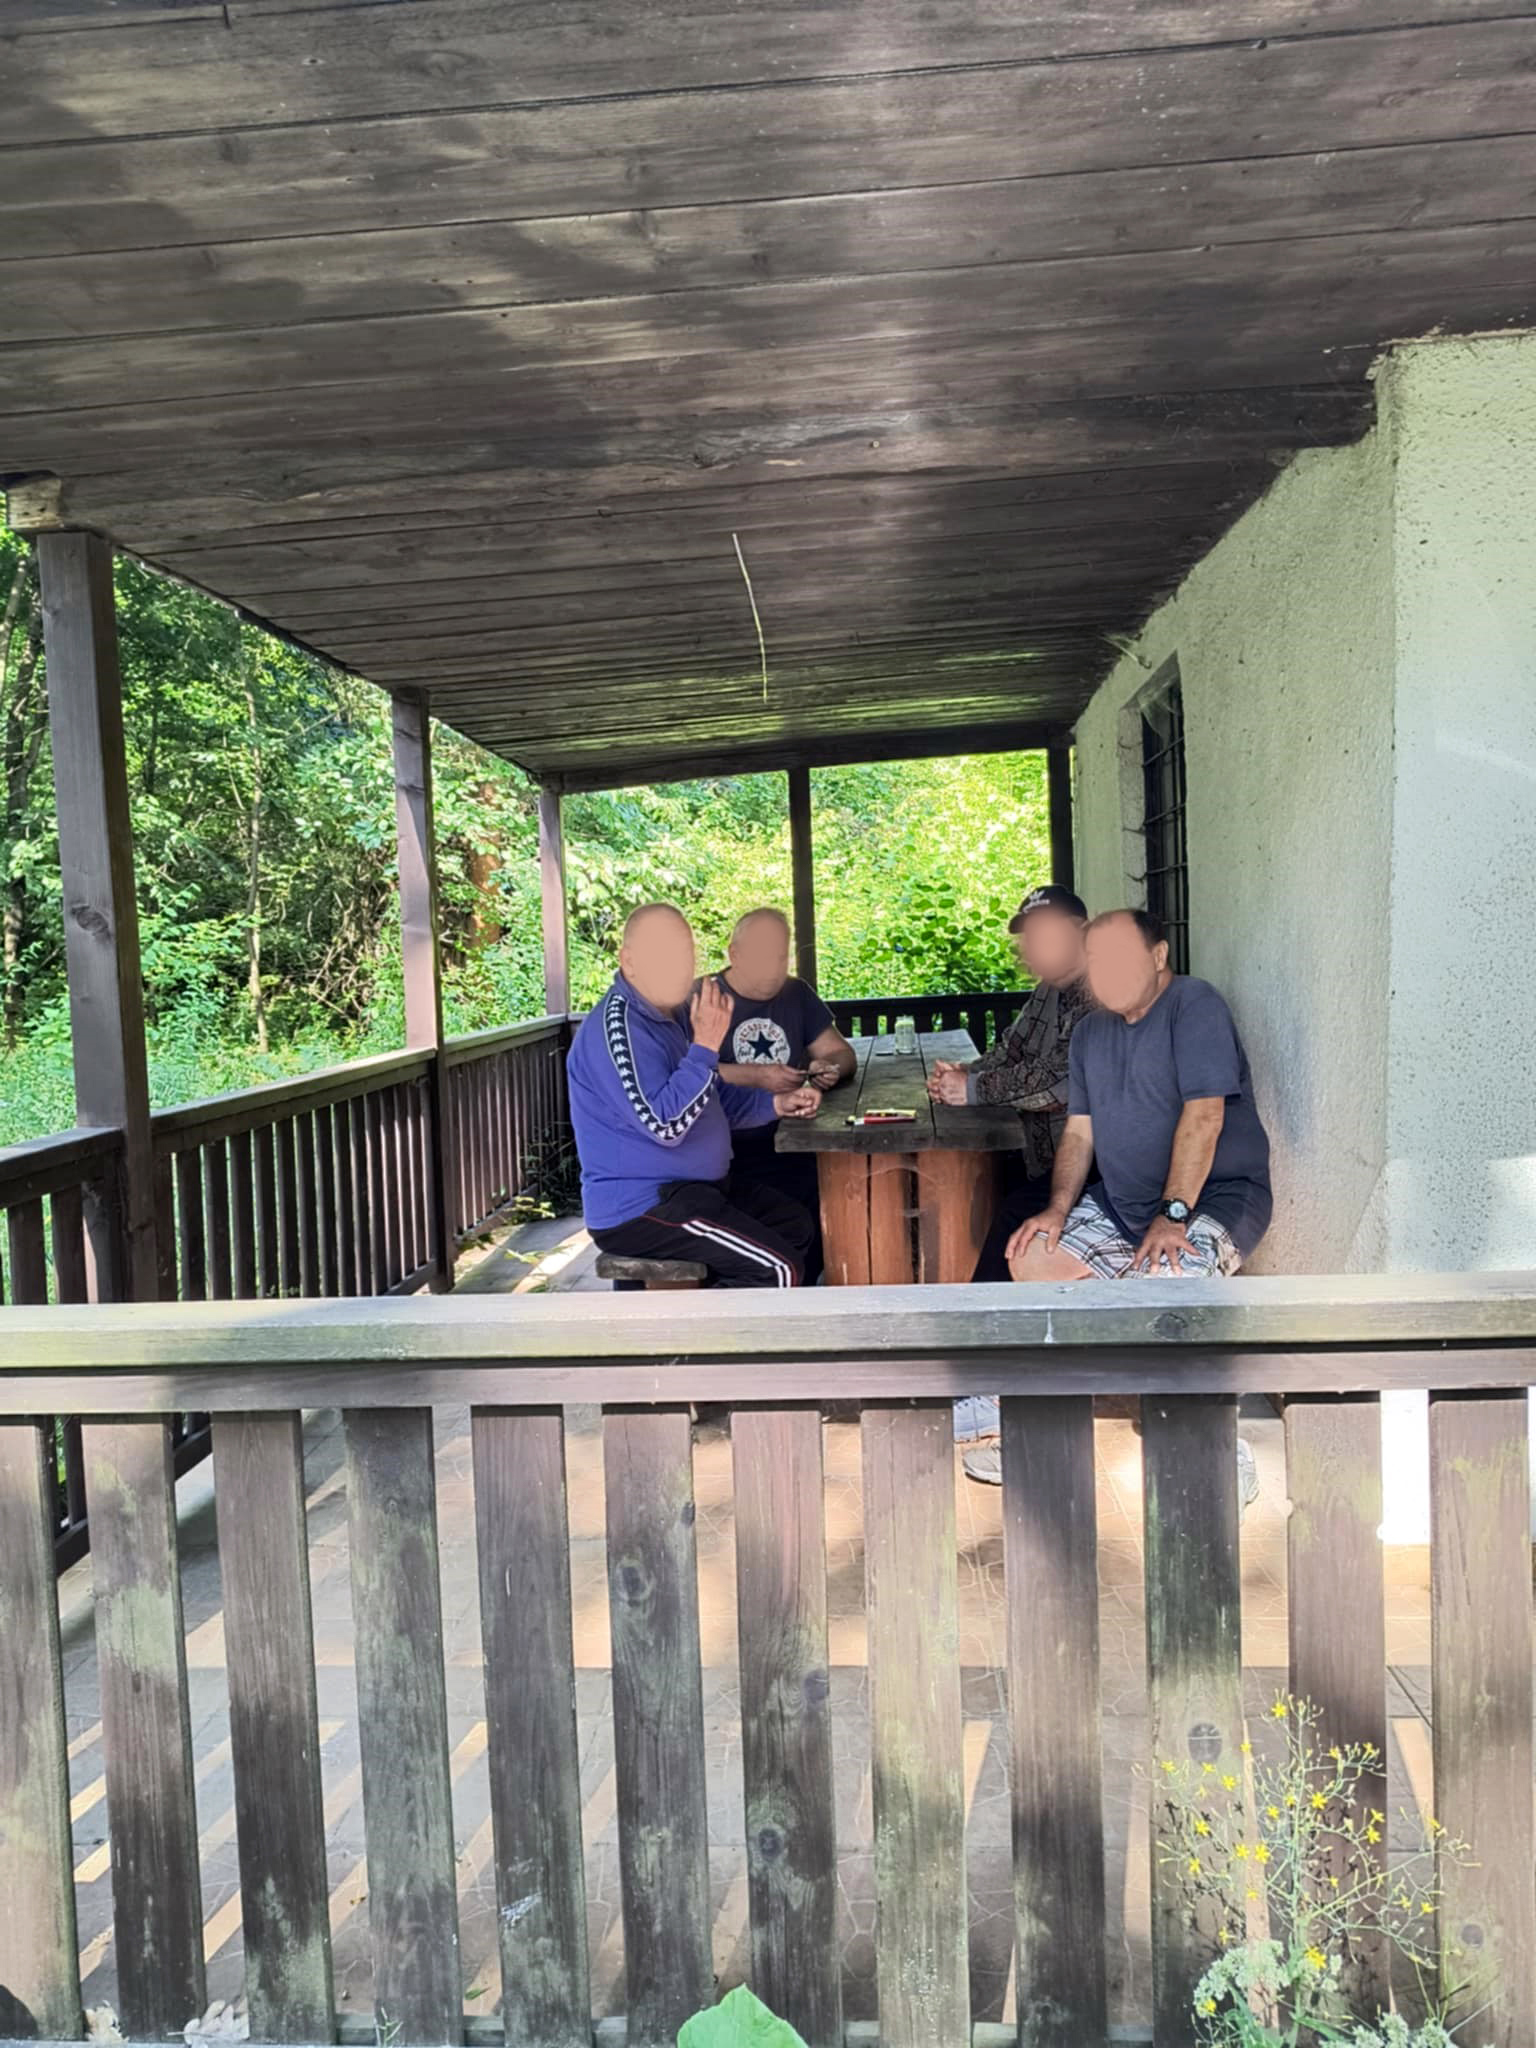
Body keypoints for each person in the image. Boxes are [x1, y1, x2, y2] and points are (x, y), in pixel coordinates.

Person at [964, 907, 1272, 1492]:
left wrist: (1174, 1214)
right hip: (1122, 1205)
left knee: (1171, 1290)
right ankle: (1043, 1429)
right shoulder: (1090, 1033)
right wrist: (1057, 1210)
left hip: (1213, 1200)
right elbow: (1079, 1134)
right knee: (1033, 1255)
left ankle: (1219, 1453)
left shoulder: (1194, 1005)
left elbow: (1205, 1116)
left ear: (1158, 956)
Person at [567, 903, 821, 1287]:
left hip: (694, 1192)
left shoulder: (671, 1017)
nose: (681, 967)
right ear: (629, 962)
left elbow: (710, 1099)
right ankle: (713, 1324)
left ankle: (705, 1316)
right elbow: (665, 1124)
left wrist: (774, 1103)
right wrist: (705, 1046)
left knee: (795, 1224)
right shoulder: (617, 1028)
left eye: (686, 954)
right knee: (776, 1268)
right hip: (645, 1206)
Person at [926, 884, 1095, 1284]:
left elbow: (1061, 1083)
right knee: (972, 1190)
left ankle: (981, 1317)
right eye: (1028, 937)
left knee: (1010, 1215)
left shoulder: (1101, 995)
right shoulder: (1048, 990)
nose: (1029, 947)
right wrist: (964, 1074)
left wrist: (971, 1088)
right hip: (1040, 1157)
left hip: (1098, 1163)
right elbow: (1011, 1050)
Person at [711, 906, 856, 1278]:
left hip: (792, 1140)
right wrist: (759, 1076)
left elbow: (841, 1053)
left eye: (780, 957)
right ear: (734, 954)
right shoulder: (702, 997)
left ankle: (806, 1288)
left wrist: (829, 1069)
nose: (774, 968)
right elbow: (683, 1073)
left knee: (837, 1191)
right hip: (724, 1149)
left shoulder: (797, 993)